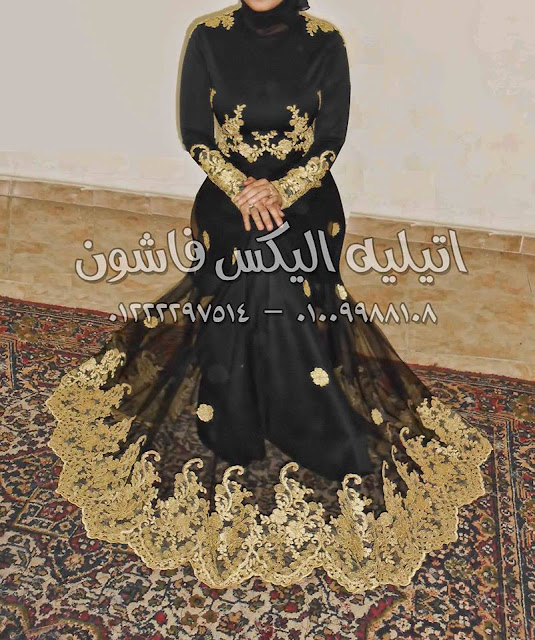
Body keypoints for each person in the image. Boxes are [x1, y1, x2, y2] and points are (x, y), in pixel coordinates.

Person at [45, 0, 492, 592]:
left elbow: (329, 140)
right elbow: (196, 134)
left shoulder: (325, 39)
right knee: (259, 264)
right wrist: (244, 191)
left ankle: (285, 416)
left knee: (276, 266)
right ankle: (250, 412)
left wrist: (280, 191)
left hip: (306, 199)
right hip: (227, 200)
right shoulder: (207, 35)